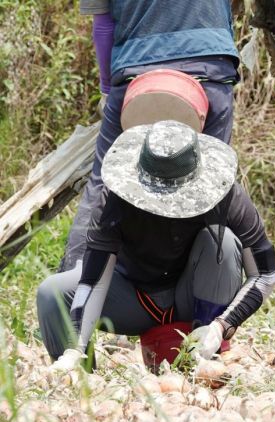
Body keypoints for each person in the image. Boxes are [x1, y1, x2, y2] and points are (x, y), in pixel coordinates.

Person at [38, 120, 275, 370]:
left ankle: (204, 356)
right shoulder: (115, 198)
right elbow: (94, 280)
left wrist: (221, 326)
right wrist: (75, 348)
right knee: (51, 293)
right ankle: (79, 380)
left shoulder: (226, 195)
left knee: (223, 241)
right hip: (133, 296)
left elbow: (265, 273)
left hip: (194, 294)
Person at [60, 0, 241, 272]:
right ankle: (206, 302)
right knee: (210, 188)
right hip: (209, 68)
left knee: (103, 187)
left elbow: (103, 26)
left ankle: (72, 288)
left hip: (137, 71)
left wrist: (110, 90)